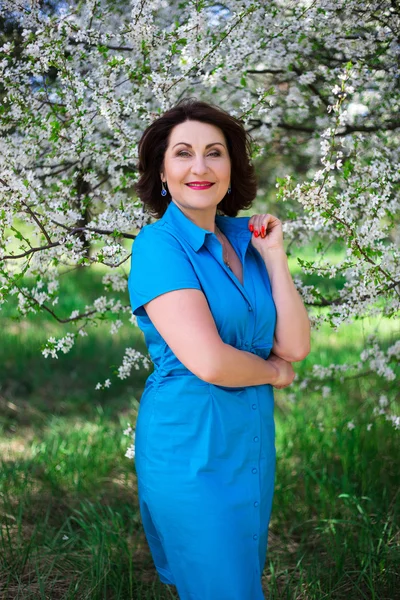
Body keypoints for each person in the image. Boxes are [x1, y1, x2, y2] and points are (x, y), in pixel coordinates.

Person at [127, 98, 311, 600]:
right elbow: (208, 360)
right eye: (183, 153)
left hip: (248, 445)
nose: (201, 167)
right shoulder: (159, 246)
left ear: (232, 167)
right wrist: (274, 375)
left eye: (215, 153)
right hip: (192, 446)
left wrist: (275, 258)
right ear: (162, 171)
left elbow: (294, 345)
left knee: (239, 582)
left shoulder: (247, 239)